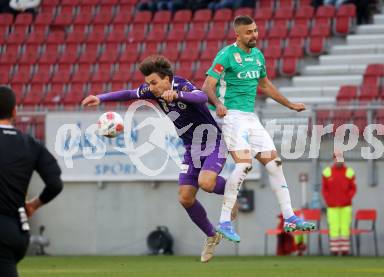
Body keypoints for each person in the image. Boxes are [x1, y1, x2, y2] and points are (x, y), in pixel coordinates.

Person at [81, 55, 236, 263]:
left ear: (167, 78)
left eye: (154, 82)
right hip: (191, 148)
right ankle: (211, 235)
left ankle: (231, 192)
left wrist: (179, 95)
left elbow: (201, 97)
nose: (150, 87)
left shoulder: (181, 85)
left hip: (214, 142)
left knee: (206, 183)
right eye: (148, 83)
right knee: (185, 198)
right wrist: (100, 98)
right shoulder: (153, 90)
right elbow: (128, 93)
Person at [202, 15, 316, 243]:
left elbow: (264, 84)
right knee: (244, 165)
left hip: (250, 118)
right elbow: (207, 86)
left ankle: (290, 217)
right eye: (248, 32)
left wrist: (290, 104)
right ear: (238, 34)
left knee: (275, 164)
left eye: (255, 30)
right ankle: (224, 220)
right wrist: (219, 104)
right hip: (232, 117)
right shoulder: (226, 55)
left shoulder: (257, 56)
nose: (254, 35)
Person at [0, 85, 63, 277]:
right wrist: (33, 205)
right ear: (14, 111)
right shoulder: (30, 144)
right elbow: (55, 184)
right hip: (14, 231)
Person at [321, 151, 356, 256]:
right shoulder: (327, 172)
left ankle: (345, 250)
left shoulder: (349, 172)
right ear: (334, 159)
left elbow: (353, 189)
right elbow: (324, 190)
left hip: (346, 206)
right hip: (332, 206)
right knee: (334, 227)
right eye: (336, 158)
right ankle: (334, 250)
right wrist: (328, 200)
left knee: (345, 227)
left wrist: (347, 198)